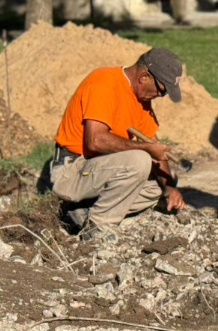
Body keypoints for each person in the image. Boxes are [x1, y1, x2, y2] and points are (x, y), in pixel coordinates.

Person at [51, 48, 186, 242]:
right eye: (162, 90)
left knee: (158, 187)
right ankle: (97, 226)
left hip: (95, 171)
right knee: (139, 160)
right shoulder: (104, 83)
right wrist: (146, 149)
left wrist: (169, 188)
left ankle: (83, 211)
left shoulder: (141, 101)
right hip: (71, 170)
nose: (160, 95)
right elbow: (95, 141)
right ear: (145, 77)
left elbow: (155, 147)